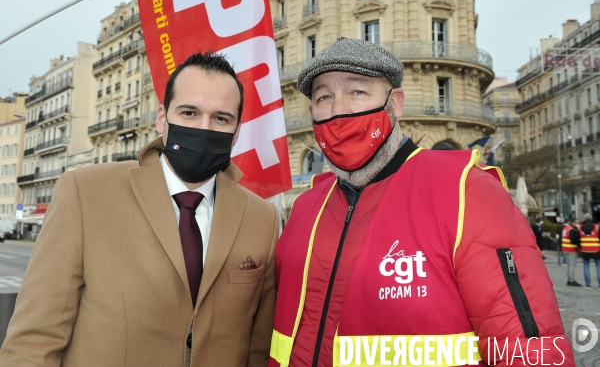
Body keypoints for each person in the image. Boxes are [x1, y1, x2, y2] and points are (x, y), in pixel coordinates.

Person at [269, 37, 574, 366]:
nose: (337, 109)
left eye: (357, 92)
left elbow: (527, 348)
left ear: (395, 103)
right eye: (323, 96)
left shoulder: (467, 191)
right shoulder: (304, 209)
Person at [0, 52, 279, 367]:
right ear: (162, 118)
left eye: (221, 118)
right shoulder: (85, 193)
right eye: (189, 113)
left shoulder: (263, 219)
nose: (204, 128)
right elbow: (33, 343)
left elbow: (258, 348)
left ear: (237, 131)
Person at [579, 215, 600, 288]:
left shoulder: (580, 227)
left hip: (585, 249)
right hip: (596, 249)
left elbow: (577, 238)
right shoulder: (596, 227)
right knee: (598, 266)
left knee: (586, 266)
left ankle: (588, 284)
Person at [562, 217, 582, 286]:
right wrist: (579, 245)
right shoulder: (572, 229)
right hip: (572, 249)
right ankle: (571, 280)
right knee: (572, 266)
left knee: (569, 265)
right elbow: (573, 240)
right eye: (577, 222)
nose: (578, 224)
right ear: (573, 222)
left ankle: (569, 279)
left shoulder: (566, 228)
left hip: (566, 249)